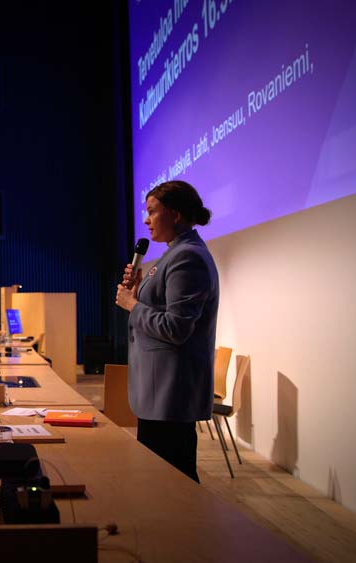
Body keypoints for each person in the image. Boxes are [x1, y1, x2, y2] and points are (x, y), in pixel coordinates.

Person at [115, 180, 219, 483]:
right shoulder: (174, 253)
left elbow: (176, 328)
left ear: (175, 214)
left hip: (170, 395)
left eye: (152, 212)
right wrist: (137, 291)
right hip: (159, 394)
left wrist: (132, 304)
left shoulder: (187, 257)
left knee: (173, 484)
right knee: (159, 484)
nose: (146, 220)